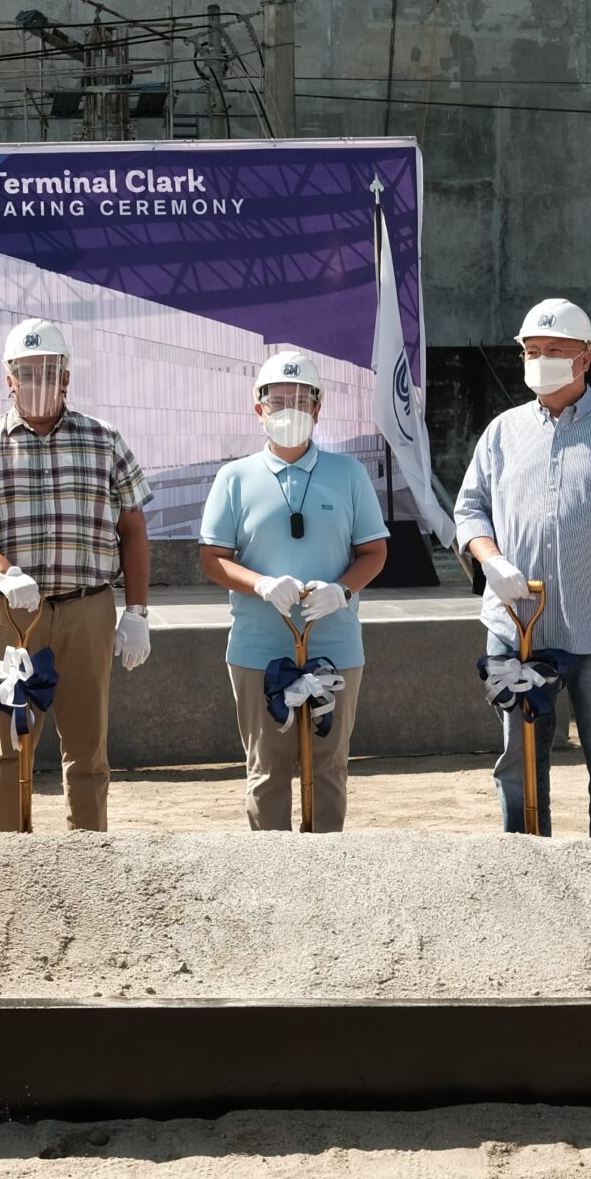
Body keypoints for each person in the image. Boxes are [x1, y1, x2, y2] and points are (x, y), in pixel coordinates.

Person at [453, 297, 591, 839]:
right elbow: (469, 510)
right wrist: (493, 561)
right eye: (532, 351)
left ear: (586, 355)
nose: (542, 359)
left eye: (556, 350)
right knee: (518, 762)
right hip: (516, 629)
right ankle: (528, 869)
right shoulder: (502, 432)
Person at [0, 317, 153, 831]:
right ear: (8, 378)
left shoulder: (104, 441)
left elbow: (135, 531)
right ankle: (13, 862)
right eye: (25, 372)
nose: (36, 381)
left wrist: (137, 611)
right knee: (10, 744)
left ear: (66, 378)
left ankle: (87, 855)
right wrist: (3, 571)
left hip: (87, 609)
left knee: (87, 749)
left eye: (48, 370)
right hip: (10, 614)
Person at [199, 347, 391, 831]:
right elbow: (213, 559)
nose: (289, 409)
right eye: (277, 399)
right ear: (258, 407)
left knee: (329, 767)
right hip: (259, 647)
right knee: (267, 770)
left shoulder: (348, 474)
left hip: (335, 643)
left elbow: (374, 552)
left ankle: (326, 875)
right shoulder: (234, 478)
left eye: (301, 399)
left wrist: (342, 592)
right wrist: (261, 584)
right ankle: (272, 877)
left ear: (318, 408)